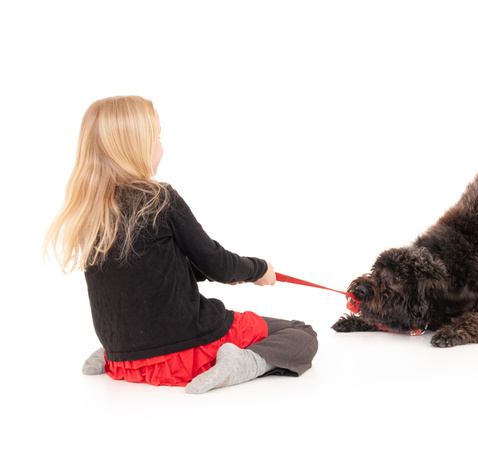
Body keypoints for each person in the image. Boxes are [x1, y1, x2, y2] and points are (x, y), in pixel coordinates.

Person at [44, 96, 318, 394]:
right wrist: (259, 269)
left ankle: (118, 357)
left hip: (125, 355)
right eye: (157, 137)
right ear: (134, 146)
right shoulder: (159, 199)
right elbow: (218, 264)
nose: (161, 146)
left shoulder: (91, 213)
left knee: (139, 339)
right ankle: (242, 365)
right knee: (301, 333)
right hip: (188, 347)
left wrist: (214, 272)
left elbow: (153, 272)